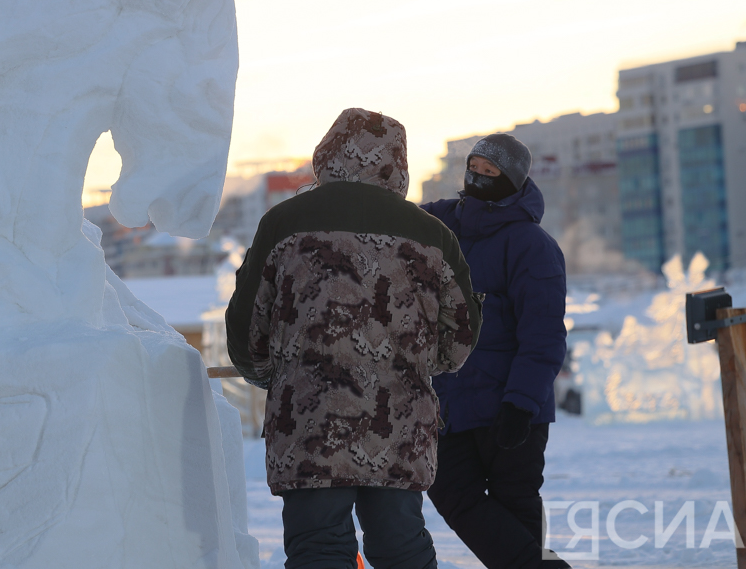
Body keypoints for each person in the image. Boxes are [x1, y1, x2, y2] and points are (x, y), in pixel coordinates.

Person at [225, 108, 482, 569]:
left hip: (308, 419)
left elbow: (246, 329)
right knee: (401, 545)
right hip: (400, 423)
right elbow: (460, 338)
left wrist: (277, 377)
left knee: (319, 548)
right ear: (399, 164)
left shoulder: (284, 222)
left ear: (328, 153)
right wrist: (417, 366)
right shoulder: (432, 234)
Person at [421, 134, 569, 568]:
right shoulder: (442, 224)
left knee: (515, 501)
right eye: (475, 168)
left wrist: (520, 405)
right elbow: (393, 222)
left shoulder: (532, 245)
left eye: (492, 172)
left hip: (510, 404)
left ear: (514, 180)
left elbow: (543, 337)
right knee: (449, 491)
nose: (479, 177)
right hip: (451, 402)